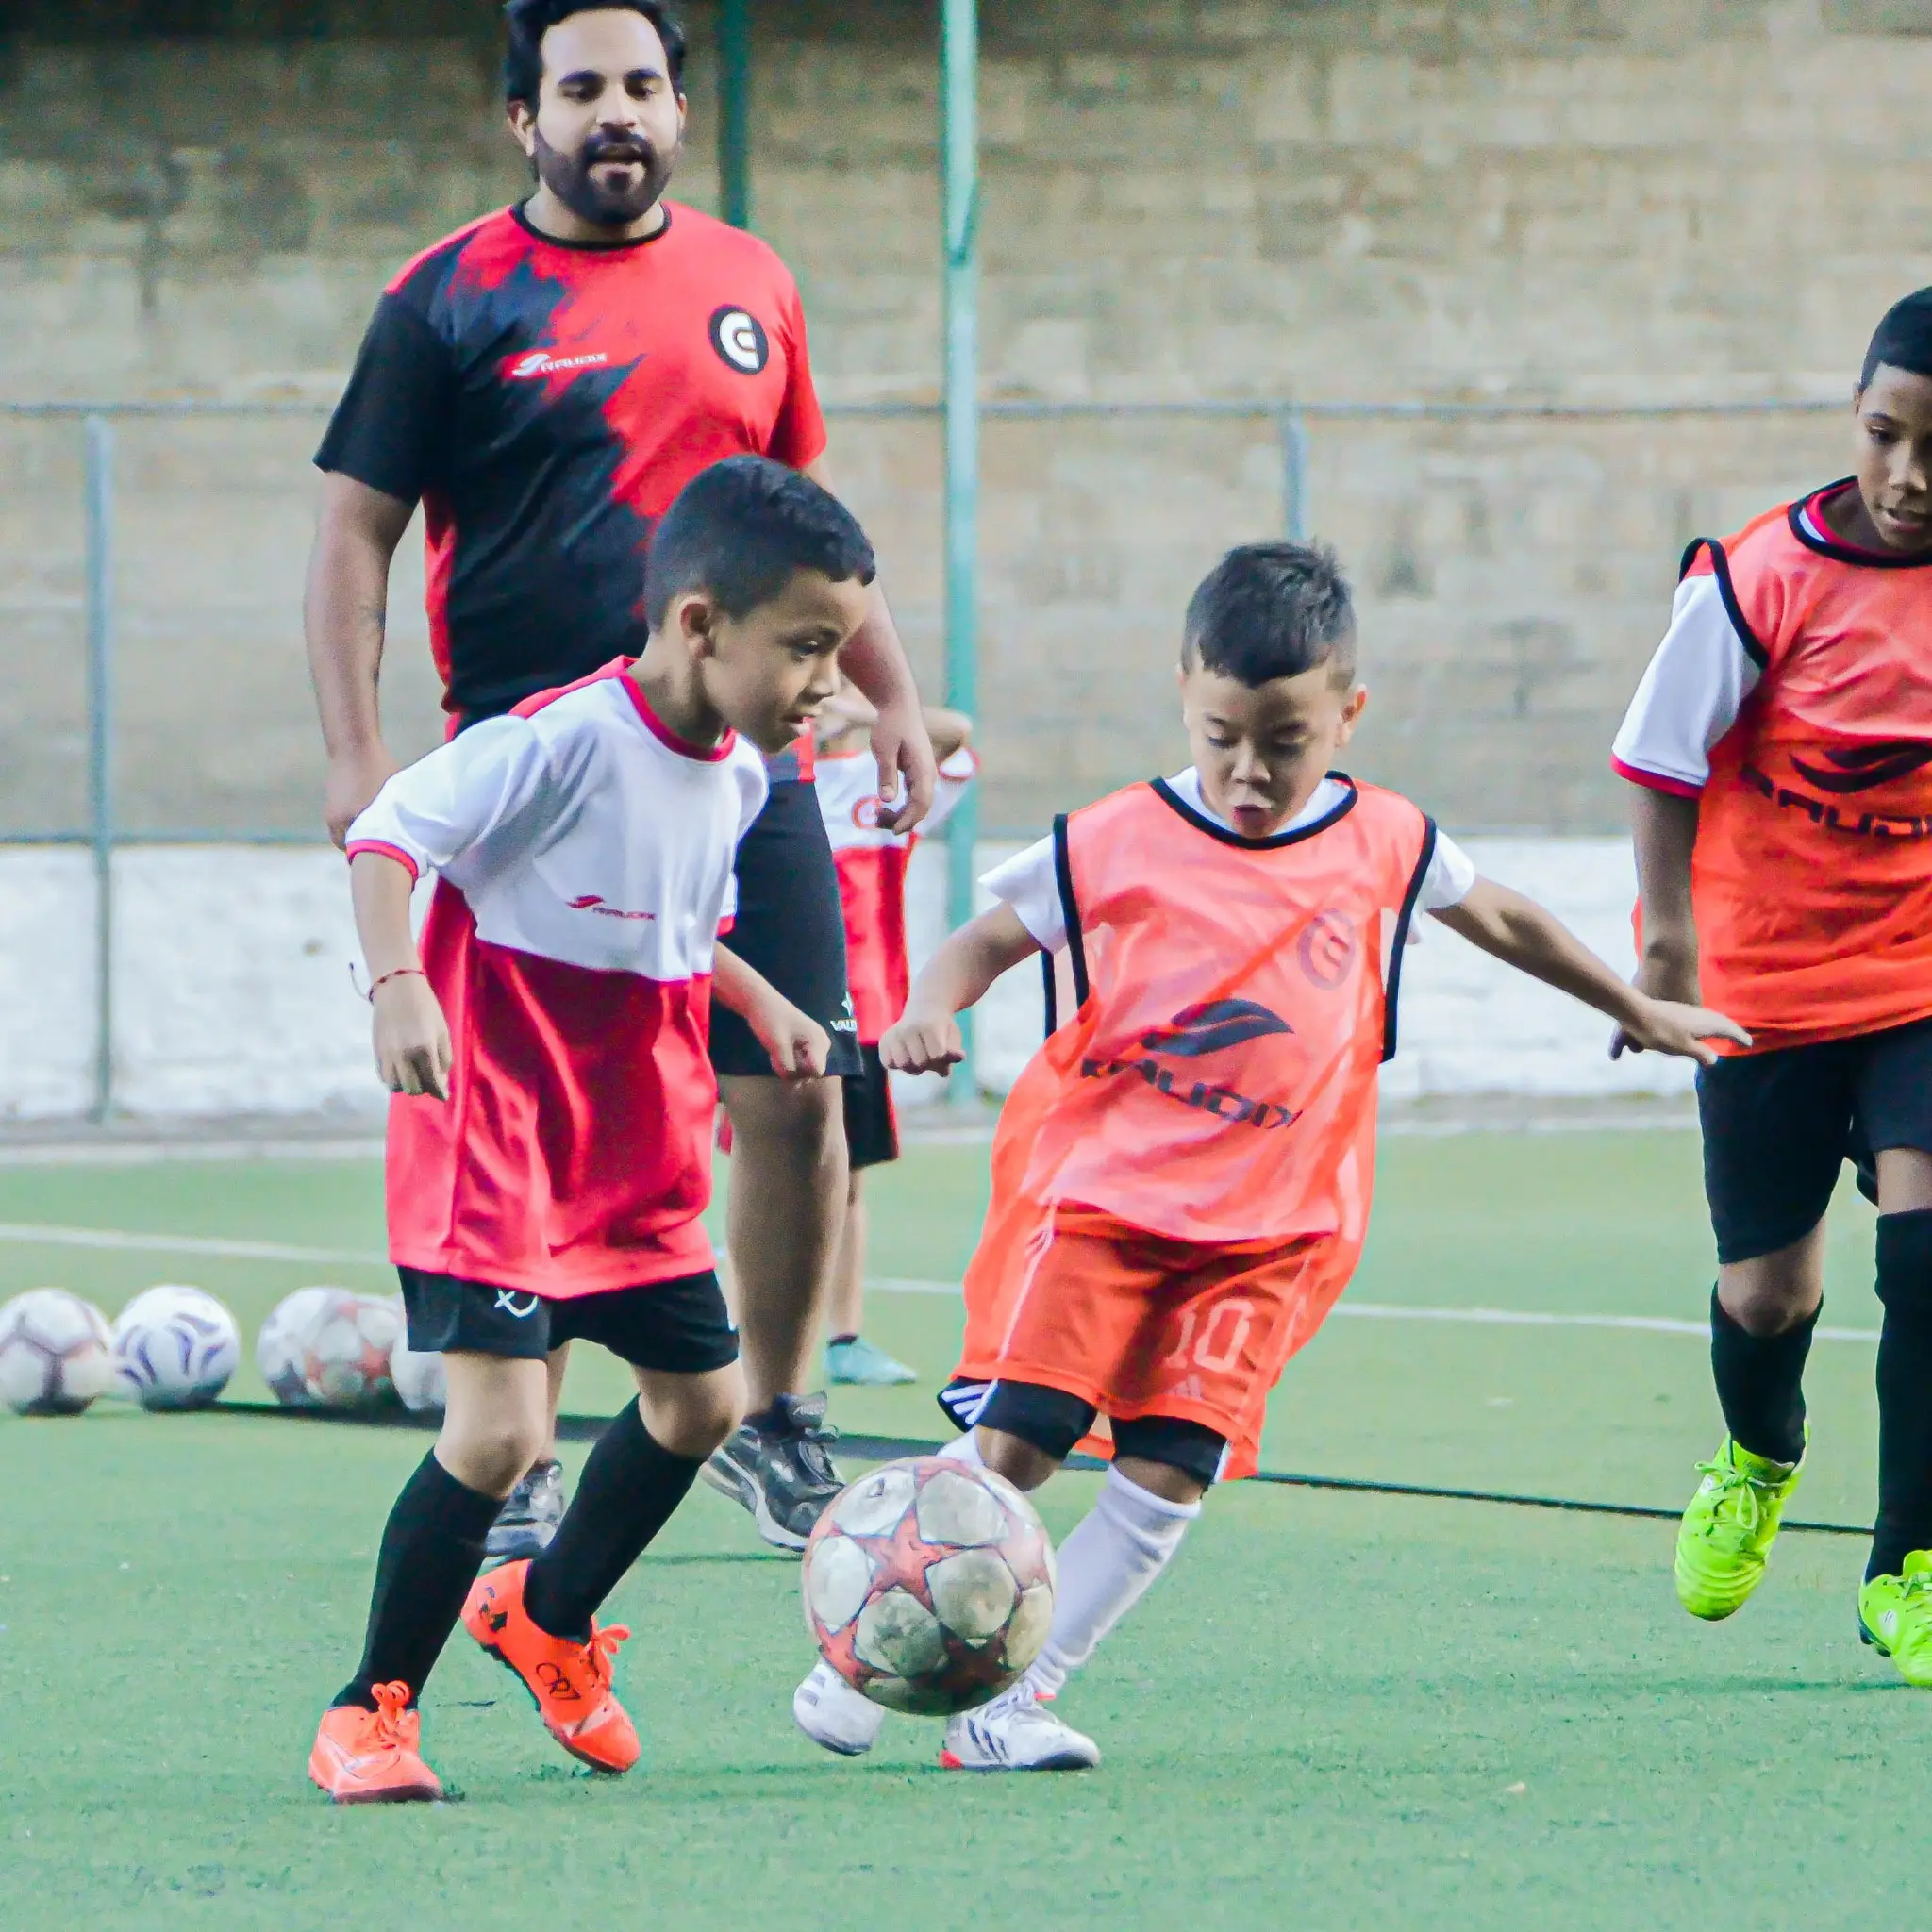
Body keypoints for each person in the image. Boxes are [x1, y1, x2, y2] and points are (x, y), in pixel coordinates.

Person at [790, 541, 1745, 1771]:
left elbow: (1499, 913)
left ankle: (1007, 1708)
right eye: (1221, 734)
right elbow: (984, 936)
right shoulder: (1121, 836)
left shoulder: (1386, 840)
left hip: (1269, 1237)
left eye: (1286, 741)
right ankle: (863, 1654)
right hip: (1105, 1206)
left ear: (1348, 716)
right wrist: (929, 1006)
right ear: (1186, 694)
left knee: (1172, 1468)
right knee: (1021, 1442)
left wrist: (1635, 998)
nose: (1249, 770)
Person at [301, 0, 936, 1567]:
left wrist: (888, 691)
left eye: (641, 85)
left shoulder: (749, 284)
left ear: (674, 107)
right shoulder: (444, 300)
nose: (616, 113)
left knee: (800, 1077)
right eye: (579, 88)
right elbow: (352, 539)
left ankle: (776, 1420)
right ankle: (513, 1437)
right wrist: (357, 753)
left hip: (735, 760)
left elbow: (806, 523)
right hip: (532, 769)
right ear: (522, 117)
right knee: (540, 1095)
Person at [308, 457, 875, 1804]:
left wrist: (760, 997)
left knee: (705, 1403)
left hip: (640, 1142)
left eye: (837, 651)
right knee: (500, 1437)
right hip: (496, 1130)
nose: (826, 685)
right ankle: (371, 1709)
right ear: (697, 624)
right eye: (806, 648)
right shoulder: (558, 739)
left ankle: (547, 1616)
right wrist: (398, 988)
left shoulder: (737, 779)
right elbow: (389, 836)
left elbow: (673, 928)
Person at [1609, 289, 1932, 1677]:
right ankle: (1758, 1455)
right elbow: (1660, 760)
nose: (1910, 477)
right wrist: (1668, 952)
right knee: (1766, 1297)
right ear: (1853, 418)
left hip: (1919, 977)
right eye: (1885, 435)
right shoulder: (1761, 580)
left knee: (1927, 1259)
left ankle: (1909, 1560)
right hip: (1765, 985)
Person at [812, 682, 977, 1385]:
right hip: (783, 1008)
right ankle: (743, 1326)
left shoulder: (882, 786)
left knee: (847, 1181)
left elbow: (957, 735)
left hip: (867, 1015)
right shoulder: (765, 781)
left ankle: (844, 1339)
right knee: (772, 1169)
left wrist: (862, 711)